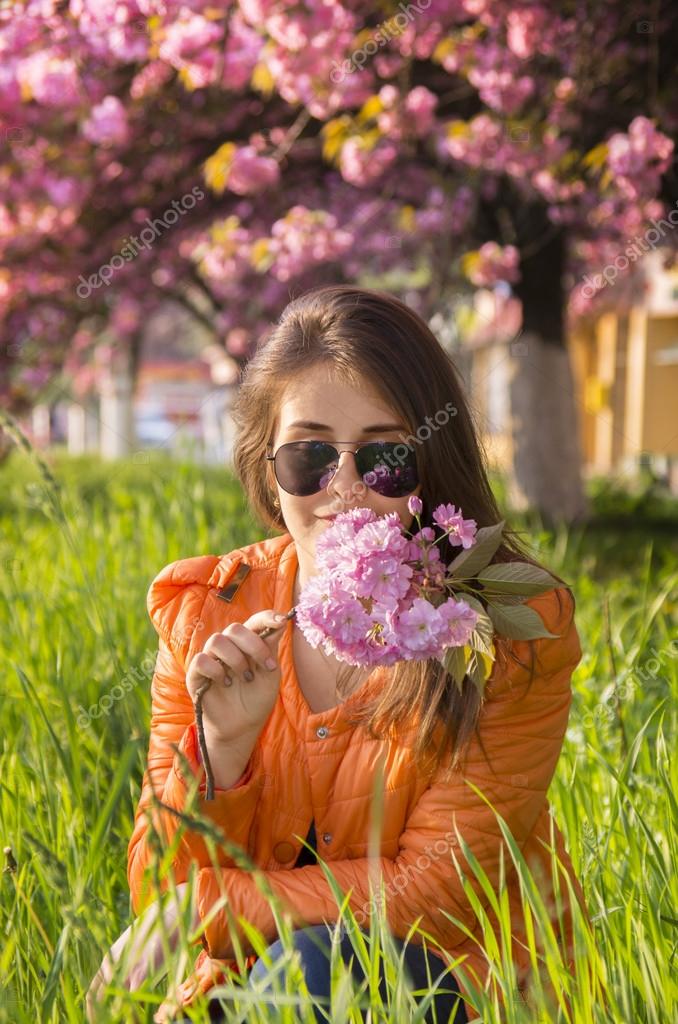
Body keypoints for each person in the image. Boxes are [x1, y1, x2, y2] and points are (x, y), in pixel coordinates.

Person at [86, 285, 591, 1023]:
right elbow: (158, 888)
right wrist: (222, 751)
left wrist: (214, 903)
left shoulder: (508, 628)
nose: (347, 487)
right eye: (310, 455)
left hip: (455, 979)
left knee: (323, 966)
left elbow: (435, 892)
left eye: (388, 457)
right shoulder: (207, 613)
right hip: (252, 987)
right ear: (267, 467)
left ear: (434, 465)